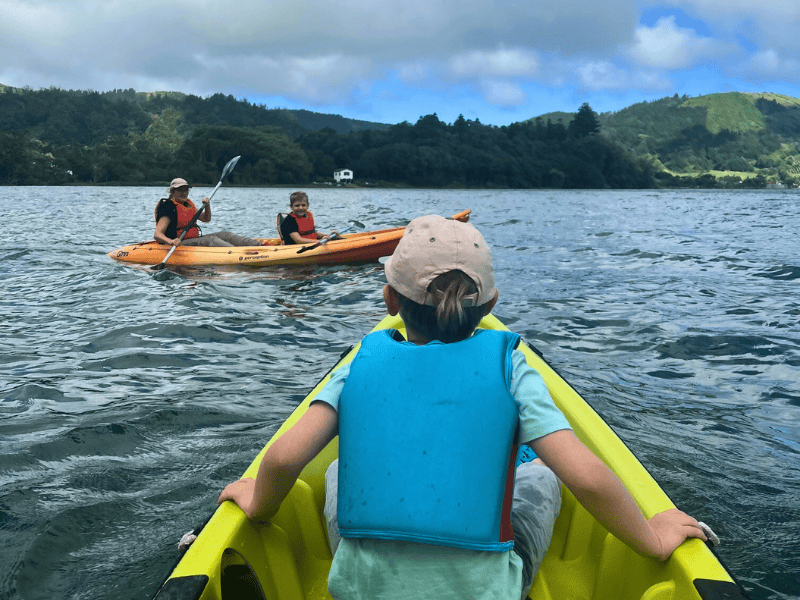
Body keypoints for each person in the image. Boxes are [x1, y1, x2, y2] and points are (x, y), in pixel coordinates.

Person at [218, 215, 708, 600]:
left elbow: (283, 459)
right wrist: (653, 537)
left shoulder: (356, 368)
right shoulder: (511, 370)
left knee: (338, 470)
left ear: (390, 299)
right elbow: (588, 479)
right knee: (542, 472)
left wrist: (258, 502)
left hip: (361, 592)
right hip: (485, 594)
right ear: (489, 304)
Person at [154, 178, 265, 247]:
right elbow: (157, 234)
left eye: (186, 190)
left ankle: (260, 246)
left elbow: (206, 219)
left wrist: (207, 206)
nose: (184, 193)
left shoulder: (187, 204)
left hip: (193, 240)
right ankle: (239, 254)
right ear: (172, 191)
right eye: (180, 190)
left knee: (225, 234)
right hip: (180, 243)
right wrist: (171, 242)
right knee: (211, 240)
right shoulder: (168, 207)